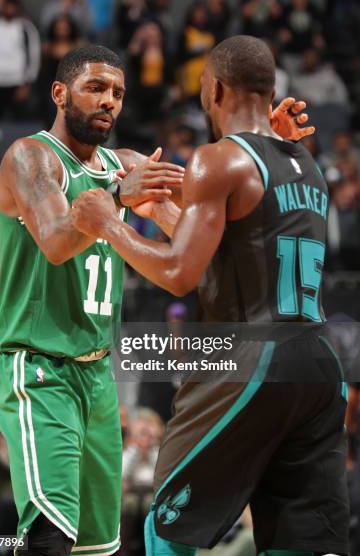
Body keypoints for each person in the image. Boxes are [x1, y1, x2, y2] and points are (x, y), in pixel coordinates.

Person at [71, 36, 349, 555]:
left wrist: (111, 225)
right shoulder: (307, 165)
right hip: (319, 363)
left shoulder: (217, 159)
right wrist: (158, 215)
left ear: (215, 88)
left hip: (251, 356)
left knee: (166, 526)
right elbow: (237, 255)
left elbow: (180, 275)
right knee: (299, 541)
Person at [0, 43, 186, 556]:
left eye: (118, 93)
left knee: (99, 548)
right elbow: (56, 242)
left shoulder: (126, 165)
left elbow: (192, 244)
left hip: (98, 377)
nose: (109, 102)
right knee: (51, 537)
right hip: (38, 366)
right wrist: (121, 199)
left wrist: (264, 147)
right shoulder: (31, 157)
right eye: (96, 87)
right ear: (60, 93)